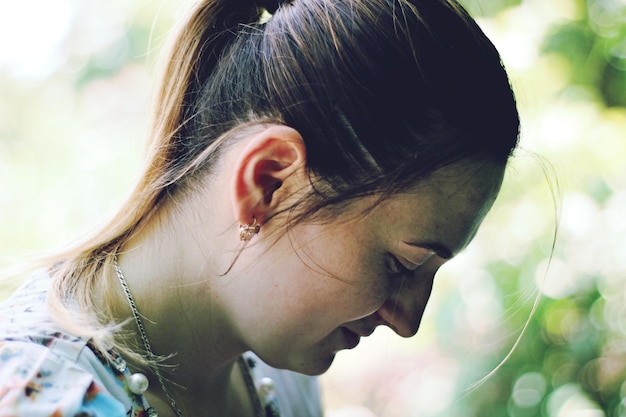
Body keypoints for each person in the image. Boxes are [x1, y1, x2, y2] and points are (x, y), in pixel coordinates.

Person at [0, 0, 520, 415]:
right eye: (402, 264)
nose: (409, 322)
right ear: (268, 182)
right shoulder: (37, 397)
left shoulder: (278, 379)